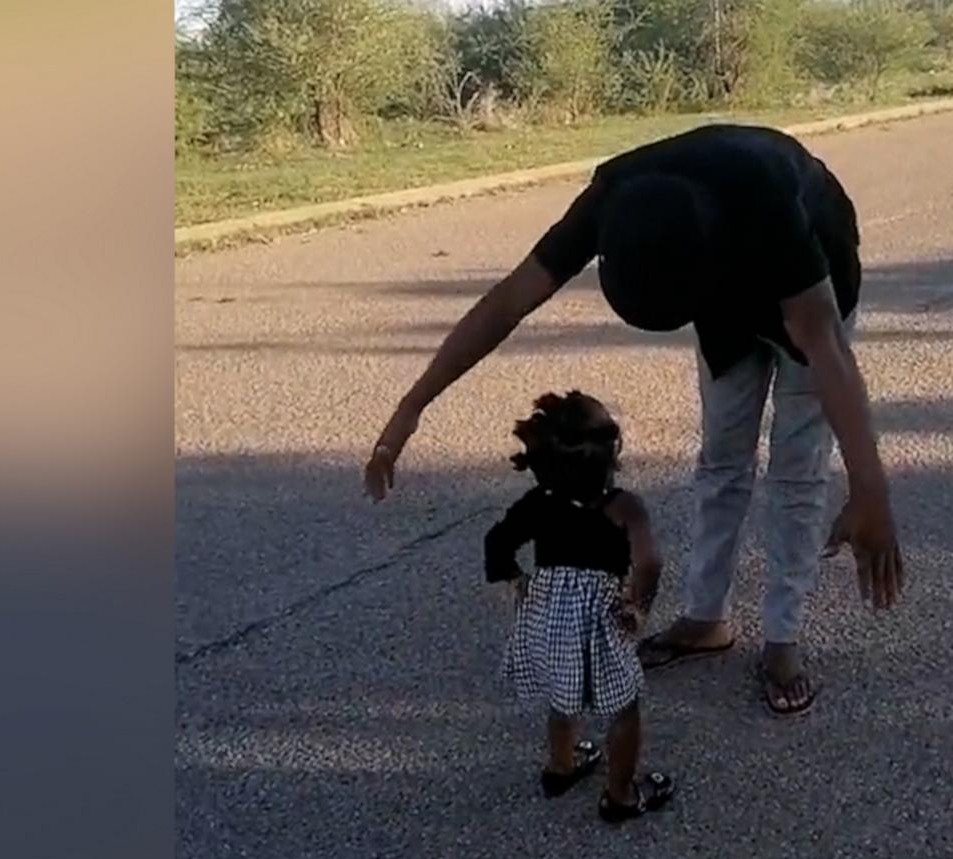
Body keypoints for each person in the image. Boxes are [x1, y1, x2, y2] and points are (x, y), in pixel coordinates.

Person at [368, 123, 906, 718]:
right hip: (716, 285)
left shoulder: (768, 205)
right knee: (723, 456)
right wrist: (411, 406)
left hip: (813, 278)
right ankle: (707, 619)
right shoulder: (611, 197)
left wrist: (870, 490)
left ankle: (782, 639)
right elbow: (508, 300)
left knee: (797, 467)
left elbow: (826, 345)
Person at [484, 391, 674, 822]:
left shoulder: (538, 503)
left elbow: (497, 542)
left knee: (561, 692)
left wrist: (515, 580)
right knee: (624, 707)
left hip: (548, 619)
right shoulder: (625, 507)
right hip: (601, 621)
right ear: (612, 454)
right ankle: (622, 796)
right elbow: (649, 562)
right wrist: (638, 606)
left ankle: (561, 766)